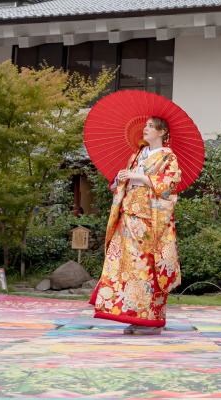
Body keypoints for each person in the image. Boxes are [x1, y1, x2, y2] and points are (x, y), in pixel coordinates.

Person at [90, 116, 184, 335]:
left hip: (149, 219)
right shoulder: (137, 155)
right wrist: (121, 178)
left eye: (151, 126)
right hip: (128, 215)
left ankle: (152, 321)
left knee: (147, 267)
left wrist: (139, 176)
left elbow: (169, 185)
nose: (146, 129)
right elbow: (126, 182)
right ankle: (134, 317)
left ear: (162, 132)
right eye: (146, 125)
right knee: (125, 267)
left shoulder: (168, 156)